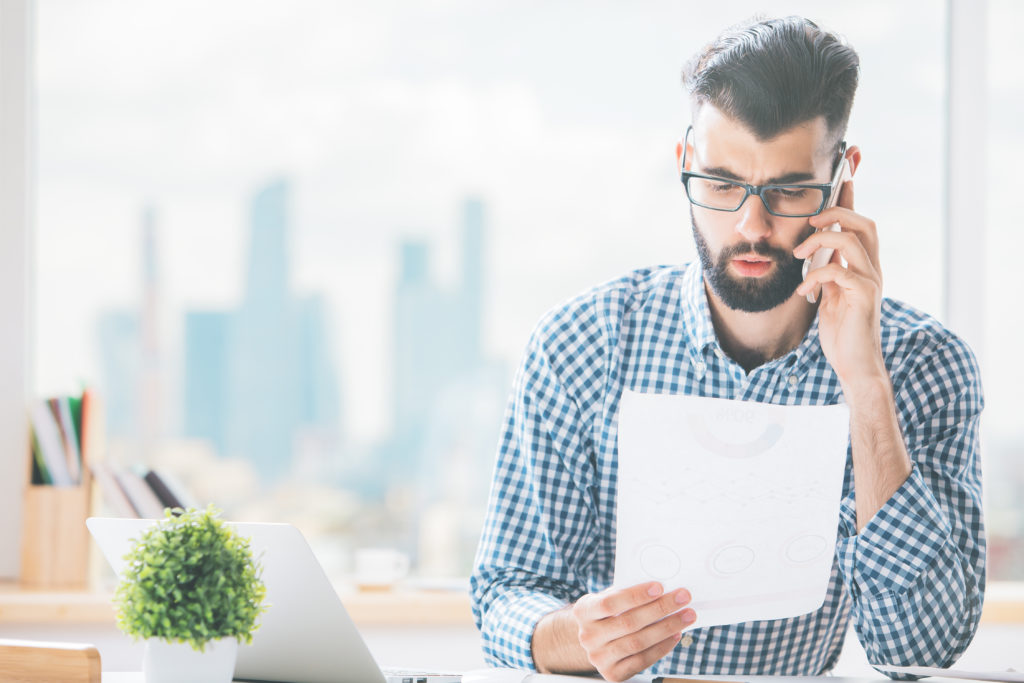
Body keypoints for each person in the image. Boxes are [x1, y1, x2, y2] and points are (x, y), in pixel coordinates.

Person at [469, 15, 985, 682]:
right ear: (685, 164)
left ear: (842, 179)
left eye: (789, 191)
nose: (751, 226)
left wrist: (865, 386)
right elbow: (506, 595)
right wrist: (575, 636)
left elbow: (921, 649)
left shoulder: (923, 366)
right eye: (720, 184)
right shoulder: (581, 346)